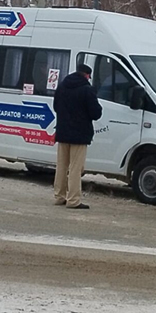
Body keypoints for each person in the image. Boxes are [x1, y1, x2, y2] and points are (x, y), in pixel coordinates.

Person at [53, 63, 103, 209]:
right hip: (80, 134)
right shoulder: (87, 90)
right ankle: (73, 200)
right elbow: (96, 113)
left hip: (62, 132)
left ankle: (59, 196)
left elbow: (56, 107)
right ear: (87, 75)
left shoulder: (62, 86)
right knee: (76, 168)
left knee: (61, 165)